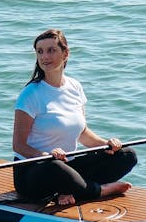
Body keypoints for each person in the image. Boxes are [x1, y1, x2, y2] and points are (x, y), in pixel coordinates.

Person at [12, 28, 137, 207]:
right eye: (40, 51)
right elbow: (19, 146)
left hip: (69, 165)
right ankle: (98, 190)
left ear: (66, 53)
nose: (44, 56)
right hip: (35, 172)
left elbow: (82, 132)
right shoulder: (30, 94)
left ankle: (68, 190)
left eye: (51, 50)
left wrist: (107, 145)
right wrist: (46, 155)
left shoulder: (75, 87)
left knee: (126, 155)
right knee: (54, 166)